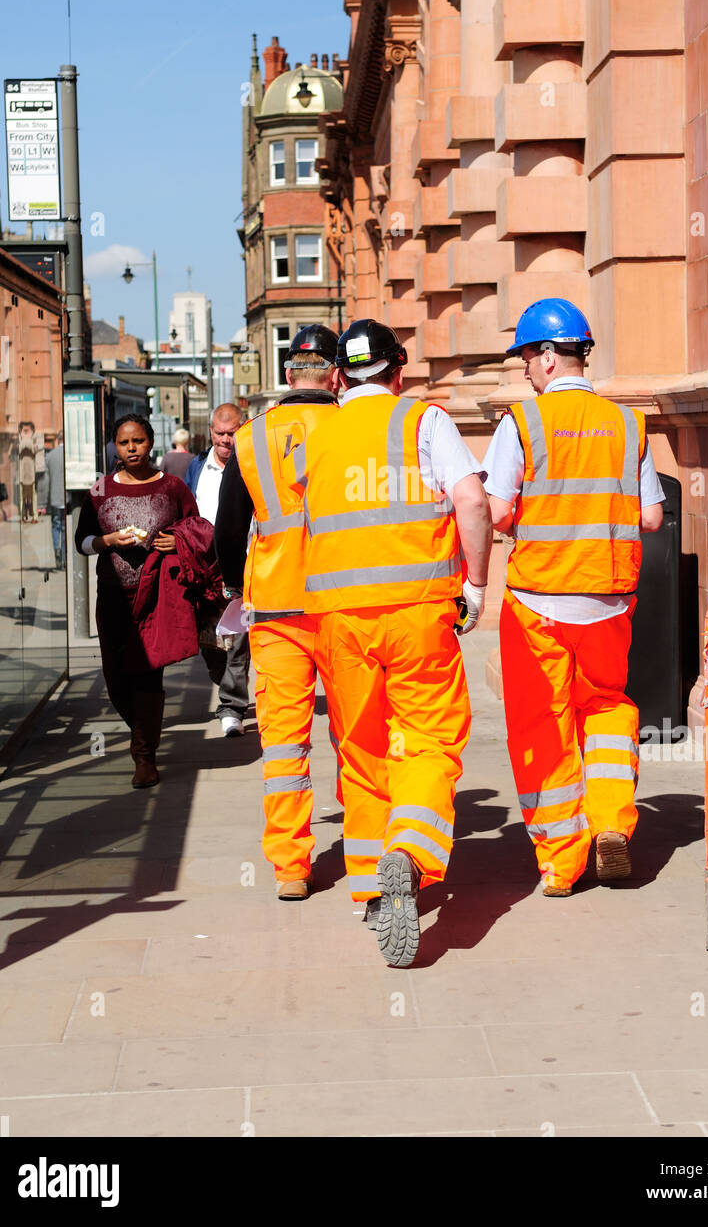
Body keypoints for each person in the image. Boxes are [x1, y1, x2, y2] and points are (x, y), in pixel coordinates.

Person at [289, 319, 492, 967]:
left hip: (339, 622)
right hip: (418, 614)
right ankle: (411, 846)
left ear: (340, 378)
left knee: (362, 749)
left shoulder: (315, 438)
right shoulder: (423, 423)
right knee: (427, 741)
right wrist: (478, 586)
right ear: (398, 372)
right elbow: (473, 503)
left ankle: (369, 888)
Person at [483, 298, 665, 897]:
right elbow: (654, 516)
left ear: (545, 356)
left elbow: (499, 509)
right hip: (610, 597)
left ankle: (563, 862)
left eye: (527, 360)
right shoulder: (628, 423)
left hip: (539, 599)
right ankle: (612, 821)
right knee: (607, 707)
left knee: (543, 723)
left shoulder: (522, 423)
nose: (525, 373)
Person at [214, 325, 341, 901]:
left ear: (289, 374)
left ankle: (291, 867)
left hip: (274, 606)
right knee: (359, 735)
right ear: (335, 375)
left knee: (285, 744)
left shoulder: (250, 437)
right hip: (344, 602)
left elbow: (228, 529)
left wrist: (233, 586)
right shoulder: (354, 428)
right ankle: (368, 855)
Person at [75, 414, 206, 788]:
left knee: (148, 674)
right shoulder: (100, 491)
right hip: (114, 598)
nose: (131, 449)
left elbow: (195, 529)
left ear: (151, 443)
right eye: (123, 443)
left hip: (157, 598)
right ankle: (144, 732)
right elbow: (82, 541)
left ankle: (144, 757)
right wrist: (108, 541)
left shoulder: (173, 487)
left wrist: (176, 543)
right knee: (116, 678)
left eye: (138, 441)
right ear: (115, 446)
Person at [185, 404, 252, 737]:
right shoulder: (197, 468)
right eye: (220, 433)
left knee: (238, 638)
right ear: (210, 431)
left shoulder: (252, 463)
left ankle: (232, 706)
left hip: (243, 562)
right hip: (204, 567)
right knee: (210, 643)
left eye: (232, 432)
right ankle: (226, 685)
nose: (226, 440)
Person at [46, 431, 66, 570]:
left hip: (54, 497)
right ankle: (64, 559)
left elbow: (45, 480)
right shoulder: (69, 455)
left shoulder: (50, 455)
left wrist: (43, 502)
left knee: (55, 526)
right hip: (66, 497)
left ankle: (57, 551)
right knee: (64, 529)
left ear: (57, 440)